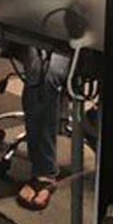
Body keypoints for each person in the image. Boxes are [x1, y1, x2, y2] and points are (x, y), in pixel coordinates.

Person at [15, 47, 71, 211]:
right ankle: (44, 171)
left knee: (48, 75)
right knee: (40, 73)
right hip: (38, 41)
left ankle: (96, 119)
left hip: (82, 43)